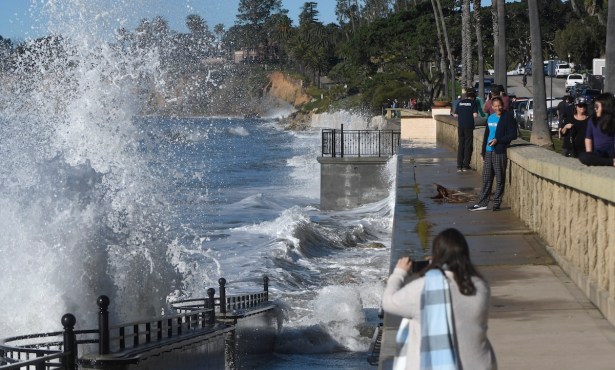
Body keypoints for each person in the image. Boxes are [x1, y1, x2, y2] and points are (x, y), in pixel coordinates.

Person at [382, 228, 497, 370]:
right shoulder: (480, 286)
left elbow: (388, 302)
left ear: (436, 256)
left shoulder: (423, 289)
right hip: (480, 364)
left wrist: (399, 273)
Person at [468, 97, 518, 211]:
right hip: (488, 151)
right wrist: (483, 152)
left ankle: (496, 203)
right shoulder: (490, 118)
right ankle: (482, 203)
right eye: (495, 106)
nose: (497, 108)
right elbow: (486, 136)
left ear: (502, 105)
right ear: (492, 107)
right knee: (486, 178)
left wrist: (498, 140)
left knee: (499, 178)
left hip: (499, 151)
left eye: (499, 105)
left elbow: (513, 135)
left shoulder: (508, 118)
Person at [578, 92, 615, 166]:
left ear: (605, 107)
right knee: (583, 156)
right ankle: (611, 162)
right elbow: (588, 138)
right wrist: (589, 153)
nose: (595, 109)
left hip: (612, 151)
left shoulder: (613, 120)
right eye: (594, 106)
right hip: (599, 152)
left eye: (597, 107)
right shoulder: (592, 120)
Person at [453, 91, 478, 172]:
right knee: (468, 145)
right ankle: (465, 165)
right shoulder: (473, 103)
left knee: (461, 145)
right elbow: (475, 115)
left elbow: (456, 115)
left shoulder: (460, 103)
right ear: (473, 97)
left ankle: (459, 165)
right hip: (469, 126)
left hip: (461, 127)